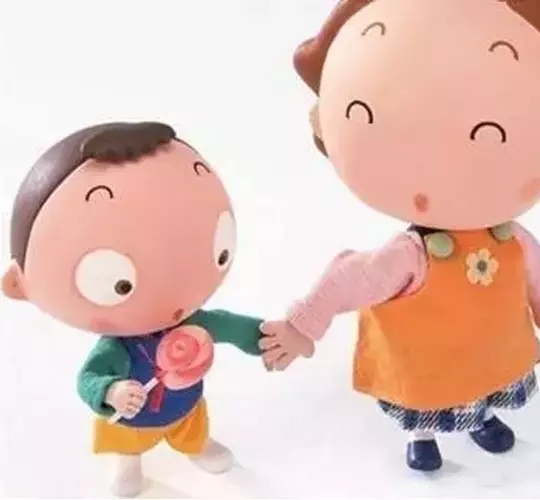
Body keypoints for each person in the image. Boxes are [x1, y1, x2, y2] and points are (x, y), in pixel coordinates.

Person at [260, 0, 540, 472]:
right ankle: (421, 433)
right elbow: (352, 278)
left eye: (489, 135)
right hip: (426, 362)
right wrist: (302, 326)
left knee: (484, 381)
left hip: (492, 354)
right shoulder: (412, 254)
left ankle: (481, 417)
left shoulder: (511, 241)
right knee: (425, 393)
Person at [2, 122, 314, 496]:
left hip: (186, 406)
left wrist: (270, 339)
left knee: (192, 430)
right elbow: (89, 378)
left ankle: (197, 446)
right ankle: (127, 463)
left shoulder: (196, 324)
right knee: (126, 441)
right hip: (133, 420)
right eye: (120, 284)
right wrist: (111, 391)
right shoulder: (117, 348)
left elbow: (233, 328)